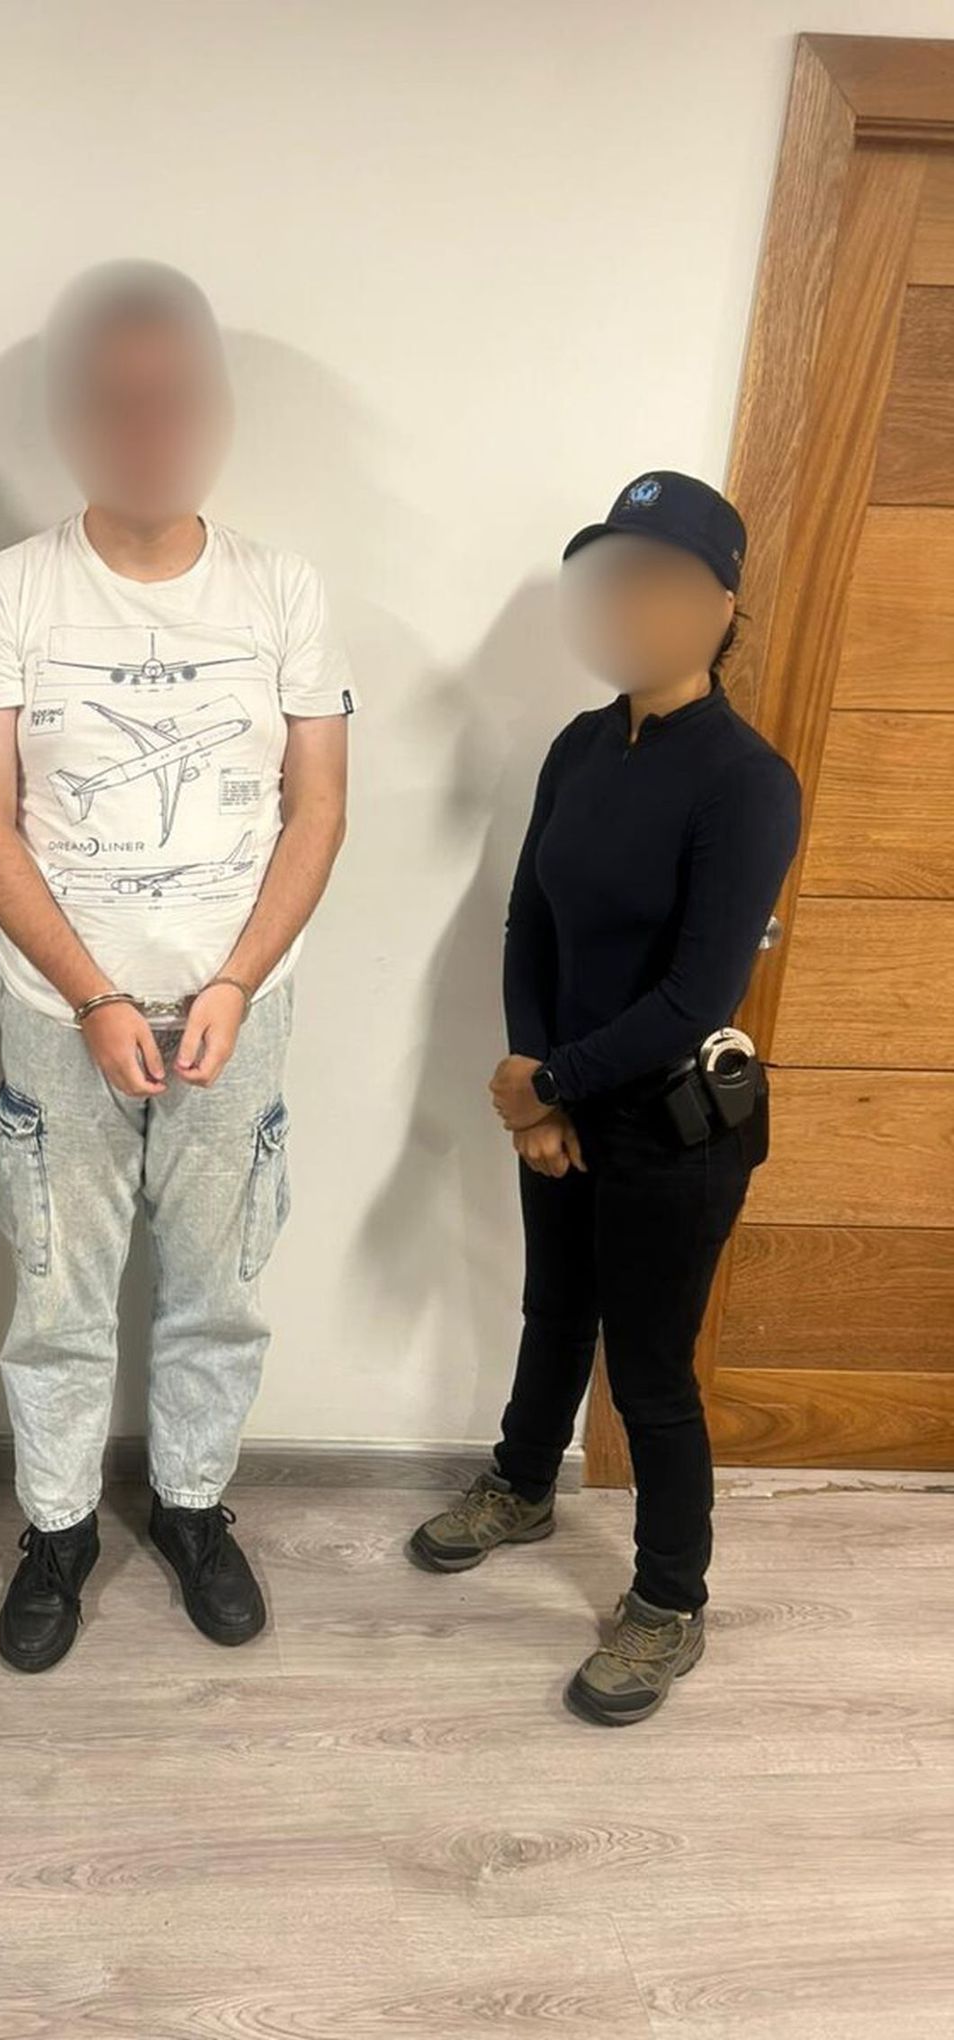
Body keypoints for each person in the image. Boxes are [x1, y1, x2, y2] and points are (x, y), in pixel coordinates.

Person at [0, 262, 355, 1672]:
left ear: (216, 411)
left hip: (242, 1011)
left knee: (218, 1287)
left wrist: (231, 982)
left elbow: (318, 811)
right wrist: (98, 995)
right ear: (72, 418)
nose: (148, 424)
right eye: (116, 400)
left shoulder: (283, 590)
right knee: (58, 1294)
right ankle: (57, 1530)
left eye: (175, 397)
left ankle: (188, 1506)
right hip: (62, 1016)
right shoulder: (8, 593)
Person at [409, 472, 801, 1727]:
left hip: (675, 1128)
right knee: (552, 1311)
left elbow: (696, 993)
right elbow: (529, 919)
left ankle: (670, 1601)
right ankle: (524, 1484)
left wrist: (552, 1082)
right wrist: (537, 1093)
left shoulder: (746, 782)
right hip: (565, 1102)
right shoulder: (581, 745)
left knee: (649, 1372)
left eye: (663, 582)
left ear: (721, 606)